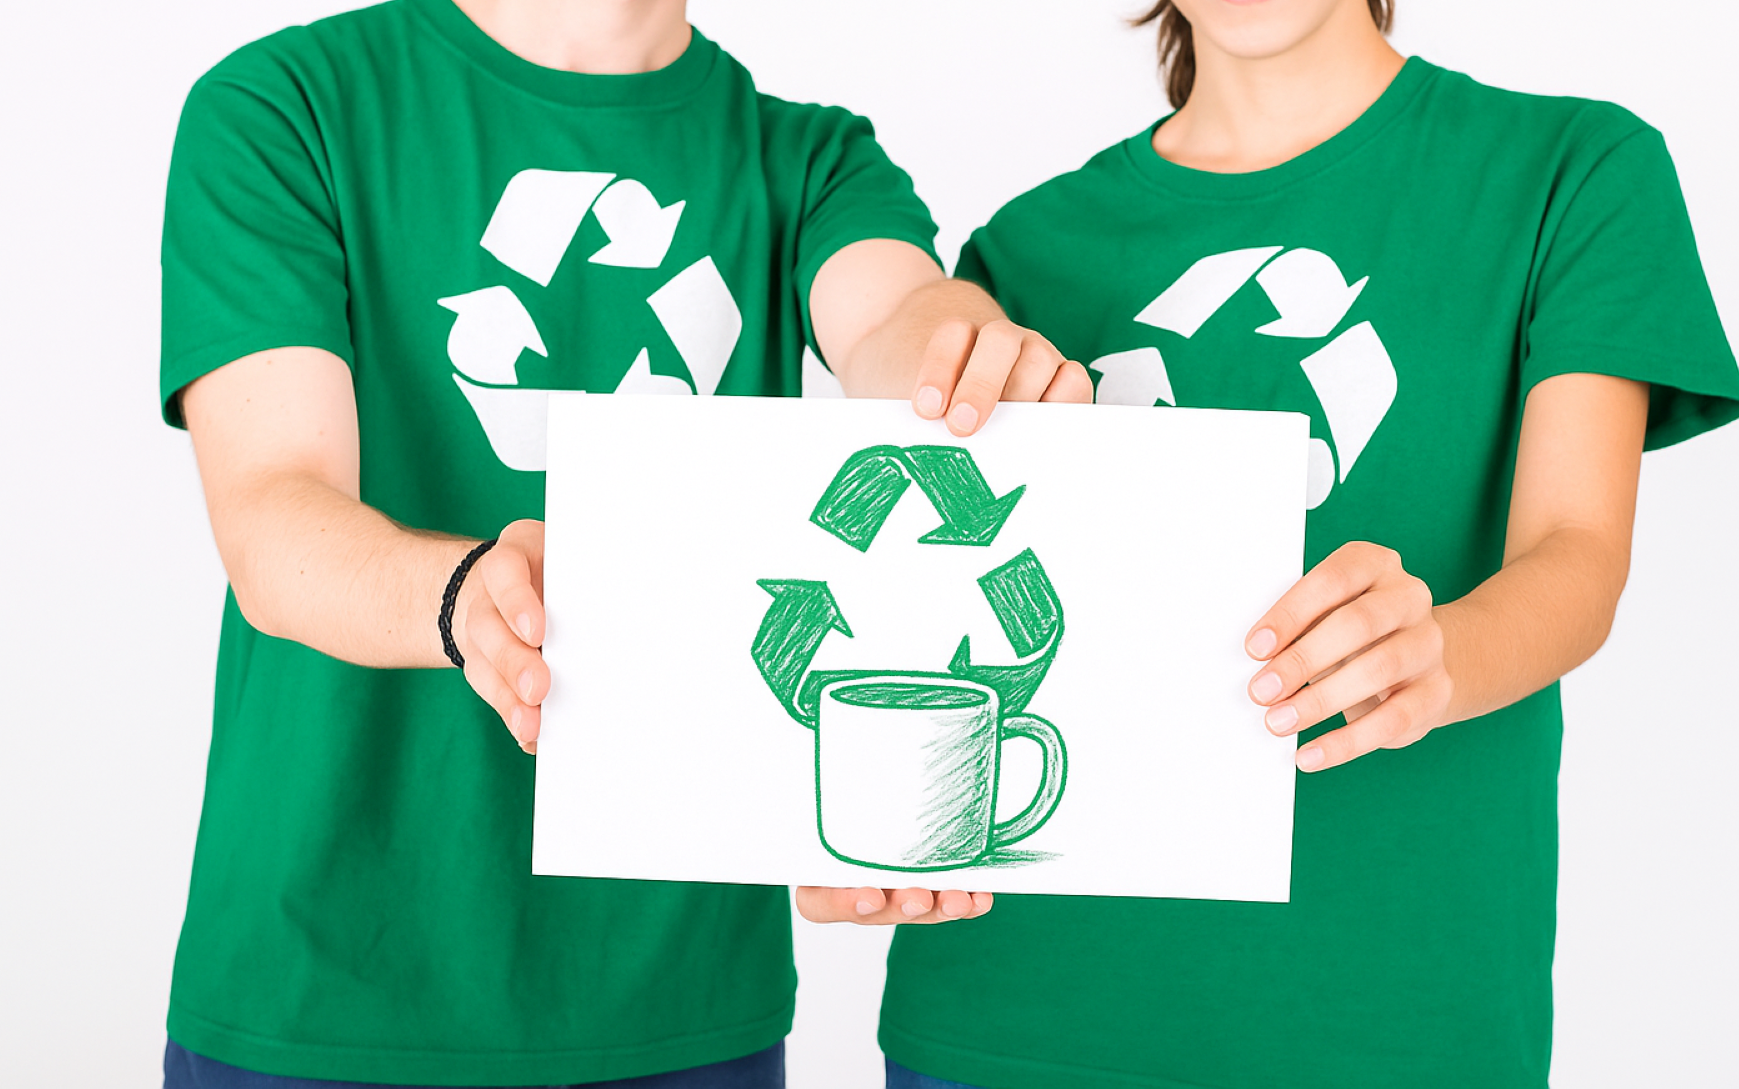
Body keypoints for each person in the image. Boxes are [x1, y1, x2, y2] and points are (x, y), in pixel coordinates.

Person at [158, 0, 1086, 1084]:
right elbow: (276, 513)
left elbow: (894, 317)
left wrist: (961, 354)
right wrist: (465, 599)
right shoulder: (287, 104)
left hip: (682, 1005)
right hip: (323, 991)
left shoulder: (808, 157)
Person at [872, 1, 1739, 1087]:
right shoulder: (1026, 248)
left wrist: (1441, 656)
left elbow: (1577, 553)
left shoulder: (1569, 170)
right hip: (1012, 1019)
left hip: (1386, 1019)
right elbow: (941, 611)